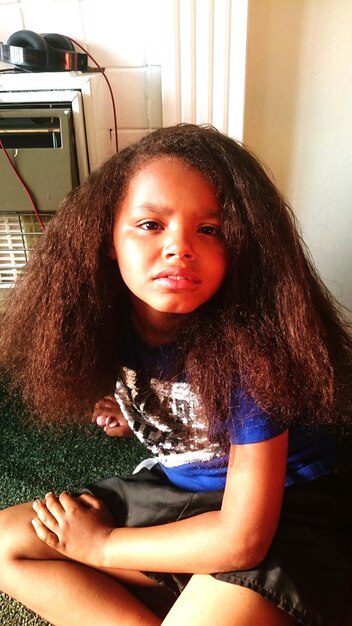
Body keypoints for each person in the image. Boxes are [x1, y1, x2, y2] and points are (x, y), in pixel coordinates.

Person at [0, 124, 351, 626]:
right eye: (150, 225)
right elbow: (183, 407)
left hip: (277, 514)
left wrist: (102, 546)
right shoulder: (107, 317)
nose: (179, 248)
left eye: (210, 230)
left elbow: (241, 538)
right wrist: (137, 414)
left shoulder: (252, 352)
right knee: (6, 545)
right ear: (107, 238)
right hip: (180, 493)